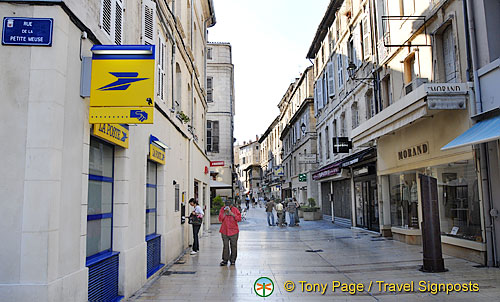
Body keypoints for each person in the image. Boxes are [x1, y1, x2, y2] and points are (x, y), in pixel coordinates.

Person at [219, 201, 241, 266]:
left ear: (231, 205)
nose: (227, 207)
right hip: (224, 230)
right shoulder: (222, 209)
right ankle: (225, 260)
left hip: (234, 231)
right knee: (225, 246)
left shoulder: (235, 210)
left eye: (229, 205)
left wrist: (232, 214)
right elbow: (220, 219)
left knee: (233, 246)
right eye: (226, 205)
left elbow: (239, 219)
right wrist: (224, 214)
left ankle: (233, 260)